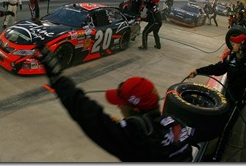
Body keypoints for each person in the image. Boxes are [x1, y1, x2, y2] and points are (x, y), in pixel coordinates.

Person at [37, 46, 194, 162]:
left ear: (135, 110)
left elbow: (91, 118)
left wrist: (58, 79)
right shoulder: (176, 125)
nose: (118, 107)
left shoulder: (140, 141)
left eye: (121, 103)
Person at [188, 33, 246, 162]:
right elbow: (217, 68)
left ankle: (217, 156)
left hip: (239, 100)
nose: (232, 45)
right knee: (220, 123)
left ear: (241, 47)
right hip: (228, 97)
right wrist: (198, 71)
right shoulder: (231, 58)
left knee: (227, 127)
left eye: (235, 43)